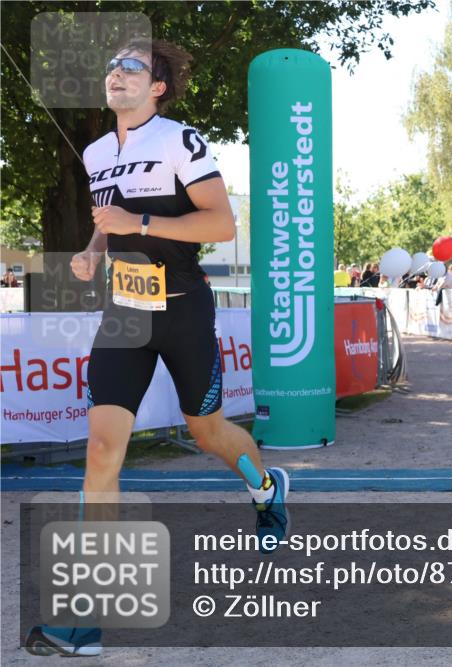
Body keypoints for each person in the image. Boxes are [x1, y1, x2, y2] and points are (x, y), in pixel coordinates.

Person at [25, 39, 289, 658]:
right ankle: (84, 619)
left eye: (131, 67)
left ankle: (266, 488)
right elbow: (107, 217)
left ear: (158, 87)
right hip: (125, 314)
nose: (116, 74)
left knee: (207, 431)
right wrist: (93, 251)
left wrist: (140, 225)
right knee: (101, 452)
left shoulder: (179, 140)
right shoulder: (97, 152)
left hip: (183, 308)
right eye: (112, 65)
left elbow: (221, 224)